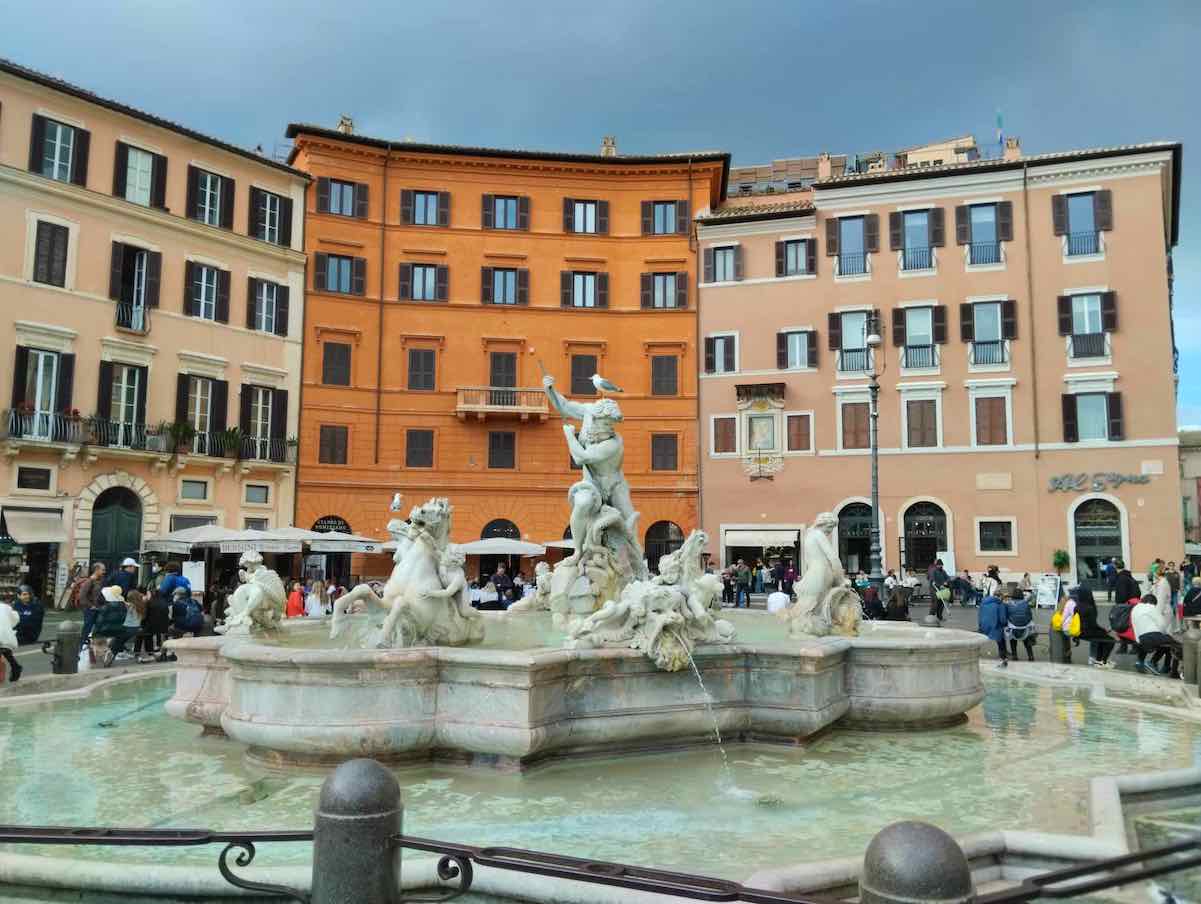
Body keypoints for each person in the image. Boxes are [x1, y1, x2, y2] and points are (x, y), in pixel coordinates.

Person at [1133, 592, 1181, 677]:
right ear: (1153, 602)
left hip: (1141, 638)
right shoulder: (1151, 608)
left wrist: (1138, 640)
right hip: (1152, 636)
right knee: (1174, 643)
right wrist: (1164, 633)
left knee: (1166, 645)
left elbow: (1134, 626)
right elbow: (1162, 625)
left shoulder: (1135, 609)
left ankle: (1165, 667)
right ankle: (1153, 663)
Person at [92, 586, 138, 666]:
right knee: (117, 640)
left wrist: (94, 633)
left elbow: (99, 622)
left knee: (96, 639)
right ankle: (110, 654)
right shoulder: (124, 606)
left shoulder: (105, 607)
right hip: (120, 630)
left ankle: (105, 654)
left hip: (106, 630)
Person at [1074, 584, 1114, 668]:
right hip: (1088, 632)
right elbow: (1092, 625)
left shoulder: (1077, 606)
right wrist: (1103, 630)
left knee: (1102, 638)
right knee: (1111, 640)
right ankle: (1102, 661)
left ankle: (1098, 661)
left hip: (1080, 632)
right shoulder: (1090, 607)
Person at [978, 588, 1009, 666]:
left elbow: (980, 615)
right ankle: (1003, 656)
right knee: (1001, 638)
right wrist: (1006, 624)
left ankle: (976, 652)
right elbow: (1003, 620)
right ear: (1000, 597)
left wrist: (980, 625)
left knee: (980, 639)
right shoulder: (1000, 604)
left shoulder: (983, 602)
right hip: (994, 627)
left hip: (983, 626)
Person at [1005, 588, 1037, 662]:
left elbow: (1007, 615)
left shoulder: (1009, 604)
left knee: (1012, 639)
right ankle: (1031, 656)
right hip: (1025, 626)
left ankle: (1014, 655)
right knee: (1026, 639)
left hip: (1013, 626)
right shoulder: (1025, 604)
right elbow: (1030, 616)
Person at [78, 562, 107, 642]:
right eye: (103, 570)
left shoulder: (101, 581)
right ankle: (82, 648)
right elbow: (82, 596)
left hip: (99, 609)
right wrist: (91, 606)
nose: (104, 572)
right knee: (87, 629)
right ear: (96, 570)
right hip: (90, 610)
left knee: (98, 629)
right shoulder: (89, 581)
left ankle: (95, 648)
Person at [0, 595, 22, 681]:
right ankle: (15, 666)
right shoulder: (7, 608)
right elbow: (16, 619)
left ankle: (15, 667)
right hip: (7, 639)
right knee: (4, 649)